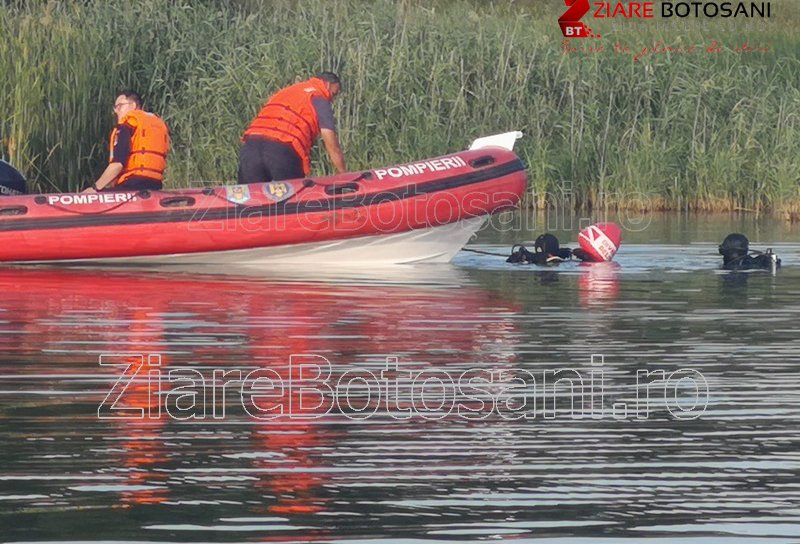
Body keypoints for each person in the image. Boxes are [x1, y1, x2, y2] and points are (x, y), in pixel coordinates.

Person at [238, 72, 346, 184]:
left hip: (250, 147)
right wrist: (343, 174)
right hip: (283, 150)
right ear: (327, 84)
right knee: (294, 199)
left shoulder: (285, 92)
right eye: (334, 94)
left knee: (251, 198)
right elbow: (331, 143)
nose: (331, 100)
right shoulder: (318, 97)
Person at [89, 91, 169, 192]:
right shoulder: (159, 124)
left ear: (133, 106)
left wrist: (94, 188)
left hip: (132, 184)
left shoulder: (127, 125)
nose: (116, 111)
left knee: (96, 195)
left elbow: (118, 164)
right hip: (155, 185)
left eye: (119, 106)